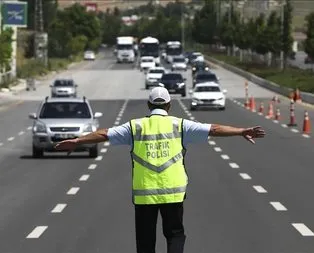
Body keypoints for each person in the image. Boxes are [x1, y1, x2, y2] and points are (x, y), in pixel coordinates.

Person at [55, 87, 265, 253]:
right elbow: (214, 129)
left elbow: (104, 134)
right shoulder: (180, 125)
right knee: (175, 235)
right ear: (169, 105)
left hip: (144, 195)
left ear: (148, 105)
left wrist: (78, 141)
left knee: (145, 242)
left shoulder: (135, 127)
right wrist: (241, 131)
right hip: (173, 192)